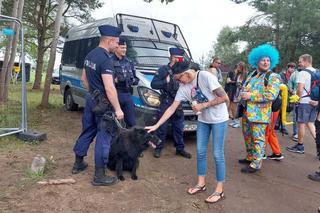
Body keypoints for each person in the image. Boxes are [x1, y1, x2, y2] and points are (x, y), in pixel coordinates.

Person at [146, 61, 229, 203]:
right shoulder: (183, 88)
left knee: (217, 154)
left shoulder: (205, 77)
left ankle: (219, 190)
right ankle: (201, 183)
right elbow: (171, 108)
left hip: (219, 120)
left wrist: (204, 104)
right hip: (203, 120)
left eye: (179, 79)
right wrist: (157, 125)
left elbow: (224, 98)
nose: (178, 82)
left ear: (187, 73)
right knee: (200, 151)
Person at [71, 25, 123, 186]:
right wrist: (118, 109)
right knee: (104, 136)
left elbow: (84, 79)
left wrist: (93, 93)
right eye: (117, 43)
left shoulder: (90, 55)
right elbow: (109, 87)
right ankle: (99, 175)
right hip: (104, 105)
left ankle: (78, 163)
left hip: (91, 100)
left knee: (88, 130)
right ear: (110, 41)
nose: (118, 46)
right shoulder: (105, 59)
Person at [238, 44, 281, 173]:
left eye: (268, 60)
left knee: (258, 138)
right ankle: (250, 156)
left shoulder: (273, 77)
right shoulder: (252, 75)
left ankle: (256, 164)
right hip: (247, 112)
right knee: (247, 136)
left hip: (260, 114)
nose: (265, 62)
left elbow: (271, 95)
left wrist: (250, 95)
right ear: (256, 61)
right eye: (263, 59)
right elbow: (245, 88)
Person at [150, 47, 191, 159]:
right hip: (166, 101)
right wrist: (165, 81)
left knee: (179, 127)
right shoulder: (163, 70)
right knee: (161, 128)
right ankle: (158, 148)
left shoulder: (183, 70)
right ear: (173, 58)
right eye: (179, 58)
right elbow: (153, 85)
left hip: (178, 103)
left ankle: (180, 149)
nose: (181, 60)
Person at [287, 54, 316, 154]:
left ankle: (300, 146)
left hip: (304, 102)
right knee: (311, 123)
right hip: (314, 101)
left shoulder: (302, 73)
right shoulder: (316, 71)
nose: (299, 63)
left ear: (306, 61)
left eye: (300, 61)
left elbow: (299, 89)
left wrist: (297, 99)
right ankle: (319, 145)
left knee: (301, 124)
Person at [112, 37, 139, 127]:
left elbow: (135, 79)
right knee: (113, 123)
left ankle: (129, 140)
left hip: (127, 95)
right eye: (122, 48)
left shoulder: (129, 62)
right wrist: (115, 80)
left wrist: (132, 80)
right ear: (116, 48)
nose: (124, 50)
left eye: (125, 48)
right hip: (115, 94)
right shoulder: (109, 61)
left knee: (131, 123)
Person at [228, 62, 247, 128]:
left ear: (242, 67)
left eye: (239, 67)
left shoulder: (245, 74)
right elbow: (236, 83)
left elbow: (244, 85)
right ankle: (234, 121)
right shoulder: (238, 74)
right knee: (233, 107)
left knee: (237, 108)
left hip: (241, 93)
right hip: (236, 92)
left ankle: (237, 122)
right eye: (237, 66)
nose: (237, 68)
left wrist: (240, 85)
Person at [287, 62, 299, 141]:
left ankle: (297, 133)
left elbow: (289, 86)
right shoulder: (295, 74)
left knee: (297, 117)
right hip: (299, 98)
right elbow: (289, 86)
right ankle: (296, 133)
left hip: (301, 99)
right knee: (297, 116)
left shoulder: (294, 75)